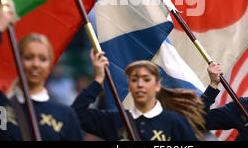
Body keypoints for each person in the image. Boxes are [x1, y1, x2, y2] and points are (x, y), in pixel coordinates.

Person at [0, 5, 83, 141]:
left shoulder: (65, 115)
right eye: (28, 57)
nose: (35, 64)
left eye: (43, 59)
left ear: (50, 66)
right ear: (17, 62)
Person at [72, 50, 203, 141]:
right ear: (129, 86)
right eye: (134, 80)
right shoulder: (115, 119)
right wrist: (99, 79)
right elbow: (76, 114)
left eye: (146, 79)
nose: (140, 84)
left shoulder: (175, 122)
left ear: (157, 85)